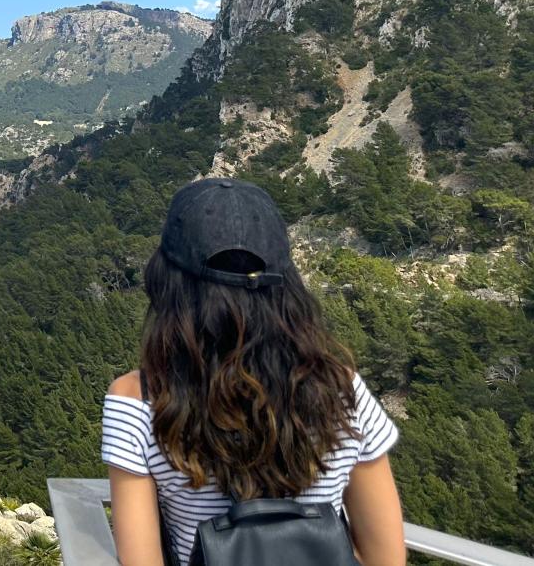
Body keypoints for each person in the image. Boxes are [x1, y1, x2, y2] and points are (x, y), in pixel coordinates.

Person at [103, 178, 406, 566]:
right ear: (287, 285)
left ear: (167, 282)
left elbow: (141, 561)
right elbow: (386, 558)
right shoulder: (341, 388)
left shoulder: (136, 399)